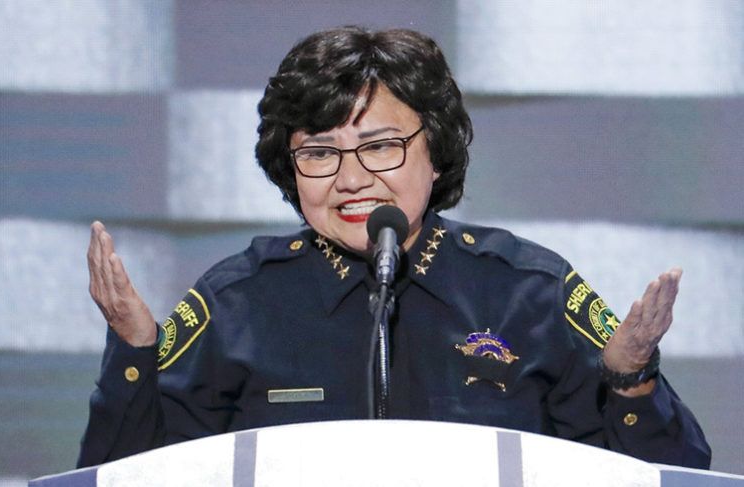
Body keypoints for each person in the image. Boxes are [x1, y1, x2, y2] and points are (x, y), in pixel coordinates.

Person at [78, 26, 711, 468]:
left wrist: (631, 379)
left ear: (435, 153)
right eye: (319, 153)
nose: (351, 179)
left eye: (380, 146)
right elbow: (118, 474)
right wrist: (135, 353)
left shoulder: (530, 291)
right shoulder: (234, 302)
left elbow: (677, 472)